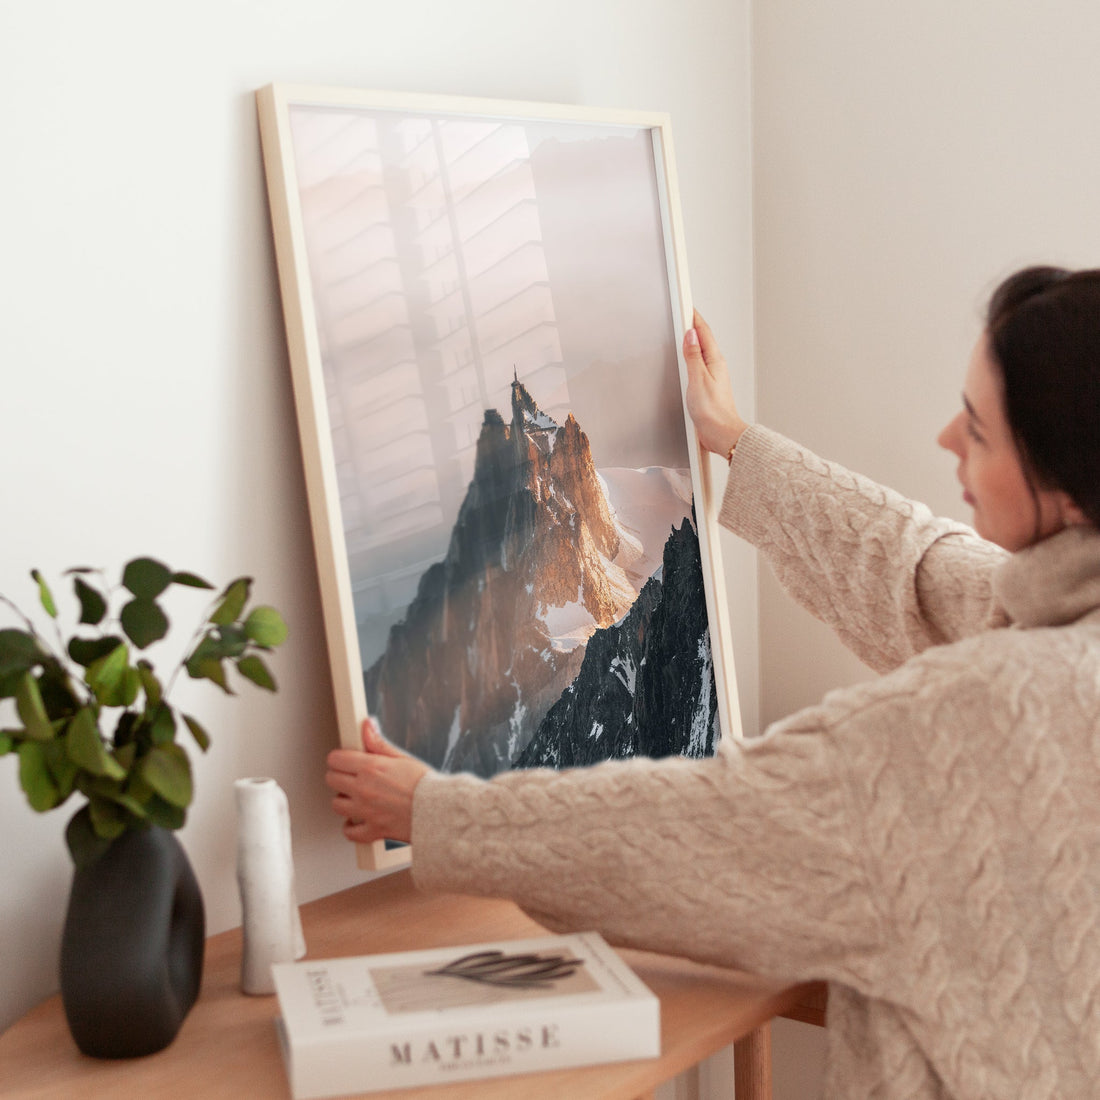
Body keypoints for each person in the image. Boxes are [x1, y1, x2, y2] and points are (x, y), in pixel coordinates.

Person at [325, 266, 1100, 1099]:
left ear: (1067, 490)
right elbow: (918, 571)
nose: (948, 438)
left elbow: (702, 829)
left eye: (979, 431)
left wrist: (436, 813)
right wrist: (735, 441)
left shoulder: (980, 720)